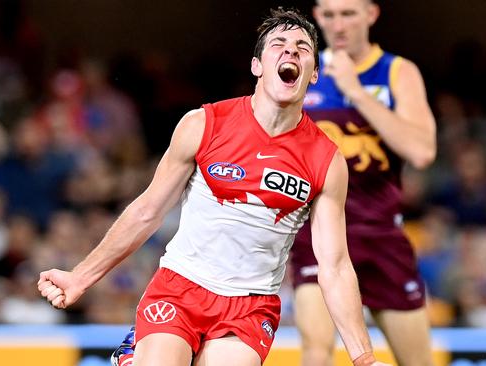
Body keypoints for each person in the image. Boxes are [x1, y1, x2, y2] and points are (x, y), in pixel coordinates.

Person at [38, 8, 389, 366]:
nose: (291, 52)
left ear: (313, 73)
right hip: (180, 287)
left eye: (302, 48)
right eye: (279, 45)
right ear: (257, 66)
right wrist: (80, 277)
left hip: (250, 306)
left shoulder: (327, 160)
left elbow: (334, 265)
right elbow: (147, 212)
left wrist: (363, 358)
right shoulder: (202, 124)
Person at [291, 0, 437, 365]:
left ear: (370, 15)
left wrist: (355, 92)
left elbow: (421, 152)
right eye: (329, 14)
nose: (338, 24)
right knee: (316, 349)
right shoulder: (302, 70)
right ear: (318, 16)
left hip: (381, 233)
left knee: (417, 361)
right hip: (319, 233)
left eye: (348, 13)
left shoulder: (397, 72)